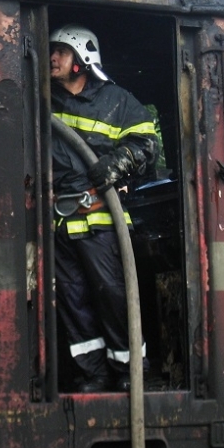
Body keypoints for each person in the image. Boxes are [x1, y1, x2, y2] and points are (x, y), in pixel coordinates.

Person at [49, 24, 158, 393]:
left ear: (81, 60)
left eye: (61, 52)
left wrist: (117, 163)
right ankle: (92, 375)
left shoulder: (116, 101)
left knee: (114, 298)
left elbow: (146, 142)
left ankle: (130, 372)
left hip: (102, 220)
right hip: (61, 225)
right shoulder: (42, 101)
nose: (53, 58)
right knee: (74, 303)